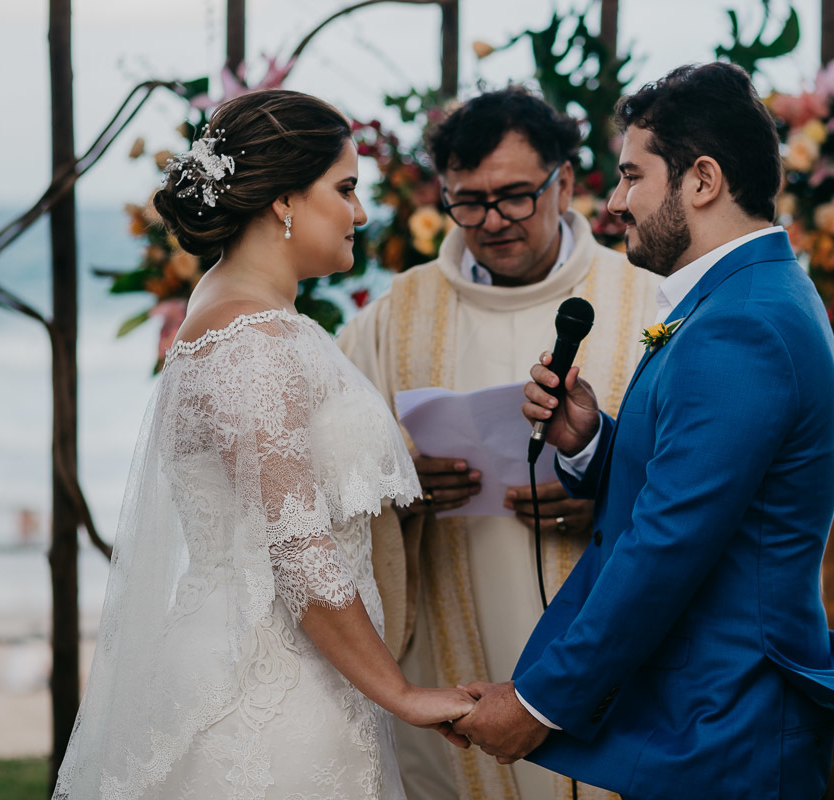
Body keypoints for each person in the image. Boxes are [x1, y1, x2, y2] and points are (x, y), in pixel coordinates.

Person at [453, 63, 834, 799]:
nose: (614, 201)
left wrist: (538, 702)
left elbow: (667, 543)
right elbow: (705, 490)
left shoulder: (741, 323)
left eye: (631, 175)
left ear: (702, 180)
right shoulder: (742, 299)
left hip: (725, 732)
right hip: (705, 723)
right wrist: (590, 440)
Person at [52, 89, 474, 800]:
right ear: (283, 201)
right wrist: (404, 695)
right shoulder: (251, 343)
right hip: (266, 697)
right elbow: (297, 544)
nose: (362, 214)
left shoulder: (254, 321)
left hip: (310, 677)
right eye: (345, 189)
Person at [338, 87, 659, 800]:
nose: (493, 221)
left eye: (515, 196)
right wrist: (400, 487)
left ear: (565, 183)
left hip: (609, 648)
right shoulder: (396, 316)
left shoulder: (646, 302)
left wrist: (599, 490)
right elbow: (324, 475)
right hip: (450, 642)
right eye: (469, 200)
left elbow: (696, 472)